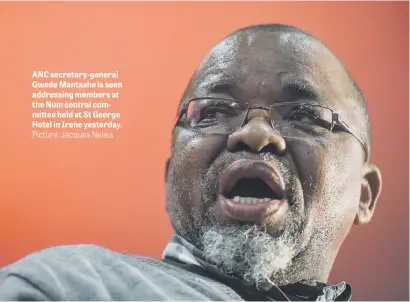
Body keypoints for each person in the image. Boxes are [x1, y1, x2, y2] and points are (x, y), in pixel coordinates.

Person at [0, 24, 382, 301]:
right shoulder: (65, 286)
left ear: (365, 195)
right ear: (170, 182)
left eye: (304, 113)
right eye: (214, 110)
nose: (254, 135)